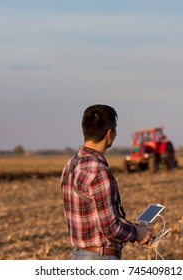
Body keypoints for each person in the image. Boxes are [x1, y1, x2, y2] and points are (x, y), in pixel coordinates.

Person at [61, 104, 155, 260]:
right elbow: (110, 228)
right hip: (100, 258)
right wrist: (138, 233)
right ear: (109, 133)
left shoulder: (70, 165)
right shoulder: (99, 172)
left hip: (78, 255)